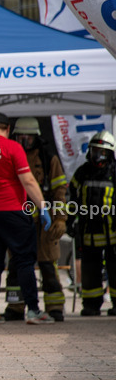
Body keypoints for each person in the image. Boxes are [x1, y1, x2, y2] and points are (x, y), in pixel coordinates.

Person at [0, 114, 53, 325]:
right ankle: (34, 311)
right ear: (8, 129)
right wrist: (42, 207)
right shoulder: (12, 148)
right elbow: (27, 180)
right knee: (25, 260)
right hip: (13, 211)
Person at [0, 117, 69, 321]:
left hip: (44, 223)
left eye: (29, 139)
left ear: (37, 138)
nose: (24, 143)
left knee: (48, 265)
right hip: (18, 219)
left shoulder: (49, 159)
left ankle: (55, 306)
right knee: (16, 265)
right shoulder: (11, 156)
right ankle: (15, 306)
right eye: (21, 138)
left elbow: (59, 192)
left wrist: (60, 219)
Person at [68, 130, 116, 316]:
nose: (98, 156)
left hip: (112, 230)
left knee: (114, 268)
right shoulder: (82, 172)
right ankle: (91, 304)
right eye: (95, 151)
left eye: (102, 152)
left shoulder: (114, 172)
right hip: (88, 229)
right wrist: (70, 221)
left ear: (110, 153)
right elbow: (73, 198)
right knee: (90, 268)